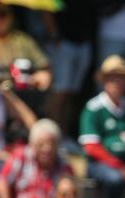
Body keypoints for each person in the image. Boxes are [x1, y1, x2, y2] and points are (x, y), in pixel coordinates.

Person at [80, 55, 125, 198]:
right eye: (112, 77)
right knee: (115, 179)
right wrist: (120, 168)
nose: (118, 81)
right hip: (101, 163)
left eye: (122, 77)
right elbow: (91, 147)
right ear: (104, 81)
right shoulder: (93, 108)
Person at [0, 119, 73, 198]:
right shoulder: (21, 156)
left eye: (52, 144)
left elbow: (72, 195)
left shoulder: (64, 167)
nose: (47, 149)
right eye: (41, 144)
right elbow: (2, 182)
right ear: (32, 144)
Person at [40, 0, 96, 135]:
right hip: (63, 43)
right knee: (60, 92)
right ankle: (51, 135)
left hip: (83, 43)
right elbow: (46, 9)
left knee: (71, 93)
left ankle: (64, 134)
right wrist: (55, 36)